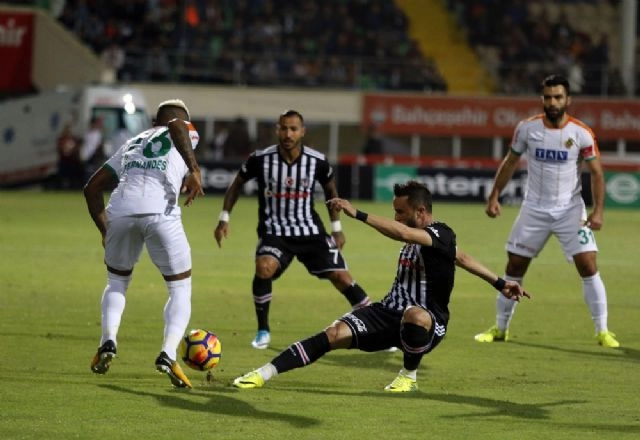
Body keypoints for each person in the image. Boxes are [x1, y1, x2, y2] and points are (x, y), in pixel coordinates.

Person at [231, 181, 529, 392]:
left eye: (401, 212)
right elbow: (461, 258)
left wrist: (357, 213)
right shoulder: (436, 242)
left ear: (421, 212)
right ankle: (263, 373)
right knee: (333, 334)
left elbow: (403, 234)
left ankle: (408, 375)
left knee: (415, 314)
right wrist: (500, 282)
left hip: (429, 322)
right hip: (387, 312)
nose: (397, 217)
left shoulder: (441, 233)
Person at [474, 74, 620, 348]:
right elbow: (510, 162)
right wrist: (494, 196)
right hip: (534, 209)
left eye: (558, 97)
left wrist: (598, 211)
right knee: (514, 265)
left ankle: (603, 331)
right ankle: (500, 328)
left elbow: (597, 173)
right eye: (548, 97)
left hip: (570, 211)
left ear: (568, 100)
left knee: (588, 265)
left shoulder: (581, 132)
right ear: (542, 99)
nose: (552, 102)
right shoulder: (527, 129)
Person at [214, 109, 372, 350]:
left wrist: (337, 228)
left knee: (342, 277)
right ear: (277, 130)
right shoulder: (260, 159)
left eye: (293, 129)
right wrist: (224, 218)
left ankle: (375, 326)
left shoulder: (317, 161)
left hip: (310, 232)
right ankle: (263, 331)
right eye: (284, 128)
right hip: (274, 232)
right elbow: (236, 185)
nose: (288, 134)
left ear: (302, 132)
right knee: (264, 267)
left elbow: (331, 191)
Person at [84, 99, 205, 388]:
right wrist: (194, 169)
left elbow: (91, 188)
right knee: (180, 287)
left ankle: (108, 341)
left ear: (152, 123)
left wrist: (106, 231)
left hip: (120, 211)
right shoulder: (184, 128)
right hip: (159, 211)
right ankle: (168, 353)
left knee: (116, 281)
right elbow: (176, 126)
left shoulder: (133, 142)